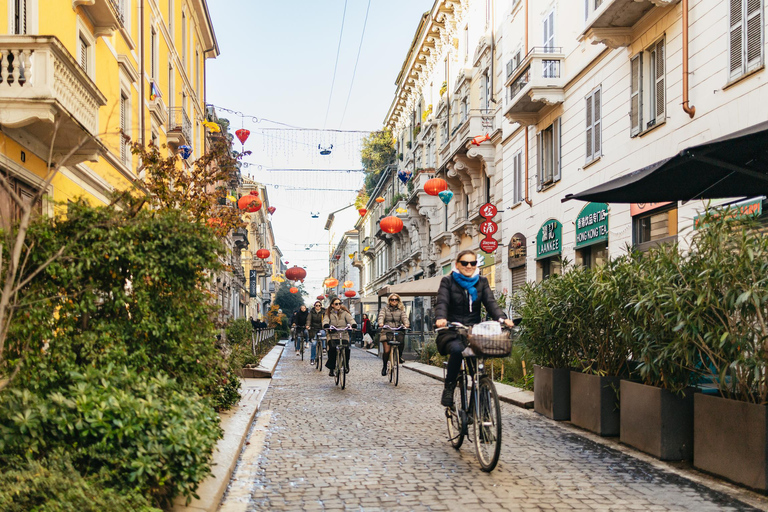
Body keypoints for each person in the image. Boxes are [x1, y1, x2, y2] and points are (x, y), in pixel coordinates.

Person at [435, 250, 514, 407]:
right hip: (452, 330)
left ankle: (480, 400)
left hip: (474, 331)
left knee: (478, 370)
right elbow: (442, 302)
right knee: (457, 350)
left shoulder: (482, 282)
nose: (469, 266)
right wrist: (441, 319)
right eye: (465, 263)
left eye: (473, 263)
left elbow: (491, 303)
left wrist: (502, 318)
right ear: (457, 264)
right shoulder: (448, 281)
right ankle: (449, 387)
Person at [323, 297, 357, 376]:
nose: (338, 305)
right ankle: (332, 368)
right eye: (336, 304)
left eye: (339, 303)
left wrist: (353, 324)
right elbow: (325, 320)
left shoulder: (344, 313)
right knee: (332, 349)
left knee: (346, 349)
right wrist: (326, 325)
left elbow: (350, 319)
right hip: (332, 335)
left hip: (343, 334)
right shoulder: (328, 313)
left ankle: (346, 364)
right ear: (332, 305)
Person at [377, 293, 409, 376]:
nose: (394, 301)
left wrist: (406, 324)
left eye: (396, 299)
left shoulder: (401, 310)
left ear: (398, 301)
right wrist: (381, 323)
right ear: (389, 301)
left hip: (397, 329)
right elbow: (381, 316)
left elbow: (404, 317)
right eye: (392, 299)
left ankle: (399, 356)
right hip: (387, 330)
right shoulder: (384, 309)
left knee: (401, 341)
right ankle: (384, 366)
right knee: (387, 350)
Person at [306, 300, 325, 365]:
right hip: (313, 329)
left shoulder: (323, 312)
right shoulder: (311, 312)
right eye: (316, 305)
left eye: (319, 305)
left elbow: (326, 319)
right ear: (314, 306)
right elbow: (309, 319)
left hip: (321, 328)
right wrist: (308, 325)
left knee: (323, 334)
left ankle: (324, 348)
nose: (318, 307)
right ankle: (312, 359)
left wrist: (326, 325)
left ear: (321, 306)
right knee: (314, 344)